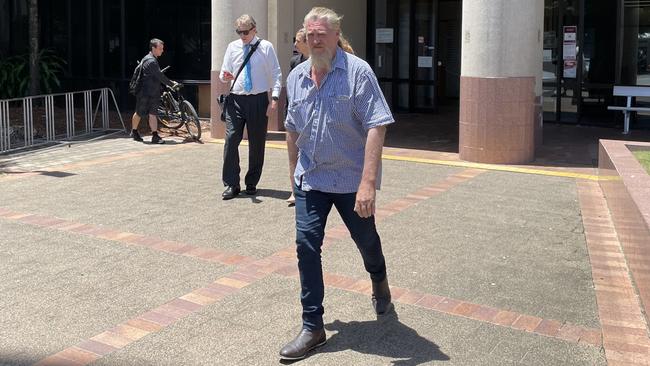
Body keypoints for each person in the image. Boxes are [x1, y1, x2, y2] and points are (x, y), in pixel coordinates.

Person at [280, 7, 395, 361]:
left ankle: (378, 279)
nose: (315, 41)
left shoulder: (357, 73)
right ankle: (312, 326)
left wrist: (368, 183)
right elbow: (291, 129)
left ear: (335, 35)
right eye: (310, 34)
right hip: (311, 179)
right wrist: (292, 175)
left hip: (349, 180)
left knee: (366, 241)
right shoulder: (297, 76)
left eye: (321, 35)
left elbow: (377, 123)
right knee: (305, 245)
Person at [219, 14, 282, 200]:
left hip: (258, 99)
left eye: (245, 31)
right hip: (236, 99)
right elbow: (223, 74)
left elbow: (276, 74)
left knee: (256, 143)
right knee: (231, 140)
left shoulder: (266, 47)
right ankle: (232, 183)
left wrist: (275, 98)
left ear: (254, 29)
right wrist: (225, 76)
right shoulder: (232, 47)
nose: (242, 35)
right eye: (239, 32)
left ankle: (252, 182)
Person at [131, 38, 178, 144]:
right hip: (145, 93)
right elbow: (160, 76)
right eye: (160, 48)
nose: (162, 51)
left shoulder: (150, 59)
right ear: (153, 48)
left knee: (152, 113)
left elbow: (157, 76)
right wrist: (172, 84)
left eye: (162, 48)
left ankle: (155, 136)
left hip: (152, 92)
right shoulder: (151, 61)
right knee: (139, 112)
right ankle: (134, 131)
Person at [285, 28, 310, 206]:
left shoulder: (320, 61)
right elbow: (291, 90)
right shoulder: (295, 61)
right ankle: (294, 191)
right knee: (293, 155)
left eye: (298, 41)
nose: (294, 44)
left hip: (310, 114)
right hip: (295, 113)